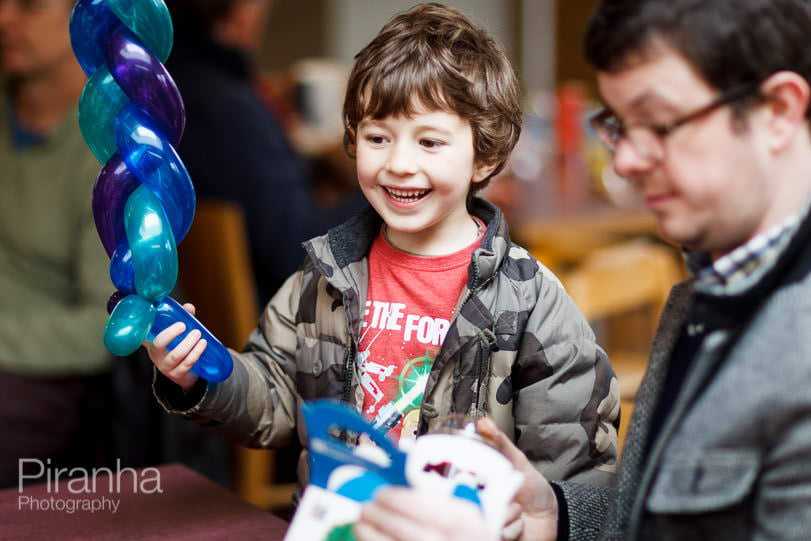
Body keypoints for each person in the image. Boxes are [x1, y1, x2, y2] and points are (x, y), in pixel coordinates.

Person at [353, 0, 811, 540]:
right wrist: (556, 513)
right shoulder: (711, 291)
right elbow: (655, 512)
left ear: (778, 111)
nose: (624, 162)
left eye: (660, 124)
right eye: (620, 125)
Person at [147, 1, 620, 498]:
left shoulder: (531, 304)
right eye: (378, 137)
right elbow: (273, 395)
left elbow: (569, 475)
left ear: (486, 154)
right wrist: (201, 375)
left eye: (429, 142)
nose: (398, 163)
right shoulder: (325, 275)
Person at [165, 0, 364, 306]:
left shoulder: (171, 92)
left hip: (208, 309)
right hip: (280, 317)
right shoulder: (231, 108)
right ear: (241, 12)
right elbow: (301, 252)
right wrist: (379, 185)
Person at [0, 0, 113, 487]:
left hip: (41, 377)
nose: (4, 17)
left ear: (85, 16)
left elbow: (105, 325)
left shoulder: (110, 148)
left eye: (28, 5)